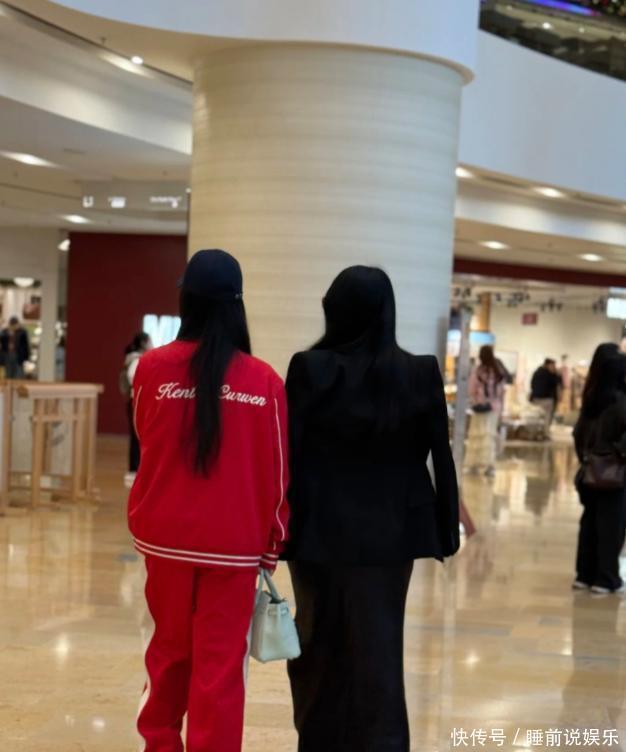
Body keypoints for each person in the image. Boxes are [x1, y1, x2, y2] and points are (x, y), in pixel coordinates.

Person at [283, 266, 459, 752]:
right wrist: (446, 528)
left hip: (318, 532)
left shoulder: (310, 368)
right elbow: (440, 454)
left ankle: (319, 741)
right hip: (392, 534)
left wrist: (274, 525)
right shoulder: (418, 371)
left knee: (318, 642)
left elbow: (286, 453)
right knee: (380, 647)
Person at [128, 249, 289, 751]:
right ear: (237, 306)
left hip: (165, 541)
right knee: (219, 671)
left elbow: (146, 442)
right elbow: (278, 474)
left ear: (186, 302)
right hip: (234, 549)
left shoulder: (151, 369)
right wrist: (272, 545)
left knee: (167, 656)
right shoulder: (265, 382)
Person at [573, 350, 626, 594]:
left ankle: (584, 574)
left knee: (590, 522)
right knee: (611, 525)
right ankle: (606, 578)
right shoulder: (621, 402)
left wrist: (587, 458)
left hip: (589, 472)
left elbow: (578, 434)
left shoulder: (591, 400)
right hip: (614, 475)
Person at [465, 345, 506, 477]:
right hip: (494, 409)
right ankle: (490, 466)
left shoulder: (478, 371)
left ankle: (474, 465)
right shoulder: (498, 371)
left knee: (477, 436)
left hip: (479, 408)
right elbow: (501, 392)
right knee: (489, 436)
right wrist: (500, 410)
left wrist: (475, 400)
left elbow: (471, 390)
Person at [121, 332, 152, 487]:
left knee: (137, 436)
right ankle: (133, 470)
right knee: (136, 436)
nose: (152, 345)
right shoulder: (137, 360)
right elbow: (134, 378)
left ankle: (135, 469)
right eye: (150, 341)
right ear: (144, 343)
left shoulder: (134, 359)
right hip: (136, 401)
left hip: (135, 401)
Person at [530, 358, 561, 437]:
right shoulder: (550, 374)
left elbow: (532, 384)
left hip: (536, 398)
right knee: (546, 417)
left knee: (537, 417)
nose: (554, 367)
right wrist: (556, 374)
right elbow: (557, 383)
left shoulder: (537, 372)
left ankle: (537, 433)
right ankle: (544, 433)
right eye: (553, 365)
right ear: (548, 365)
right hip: (546, 399)